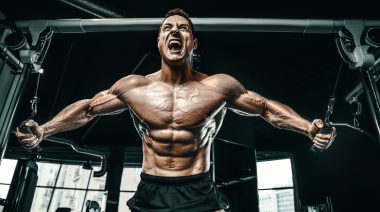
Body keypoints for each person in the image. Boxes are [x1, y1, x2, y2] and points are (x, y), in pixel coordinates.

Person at [16, 8, 336, 212]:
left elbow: (265, 108)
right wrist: (45, 130)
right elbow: (88, 109)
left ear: (193, 43)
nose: (175, 32)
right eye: (168, 28)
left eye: (183, 29)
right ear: (158, 41)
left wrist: (307, 126)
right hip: (150, 188)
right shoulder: (134, 87)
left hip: (199, 189)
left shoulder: (218, 87)